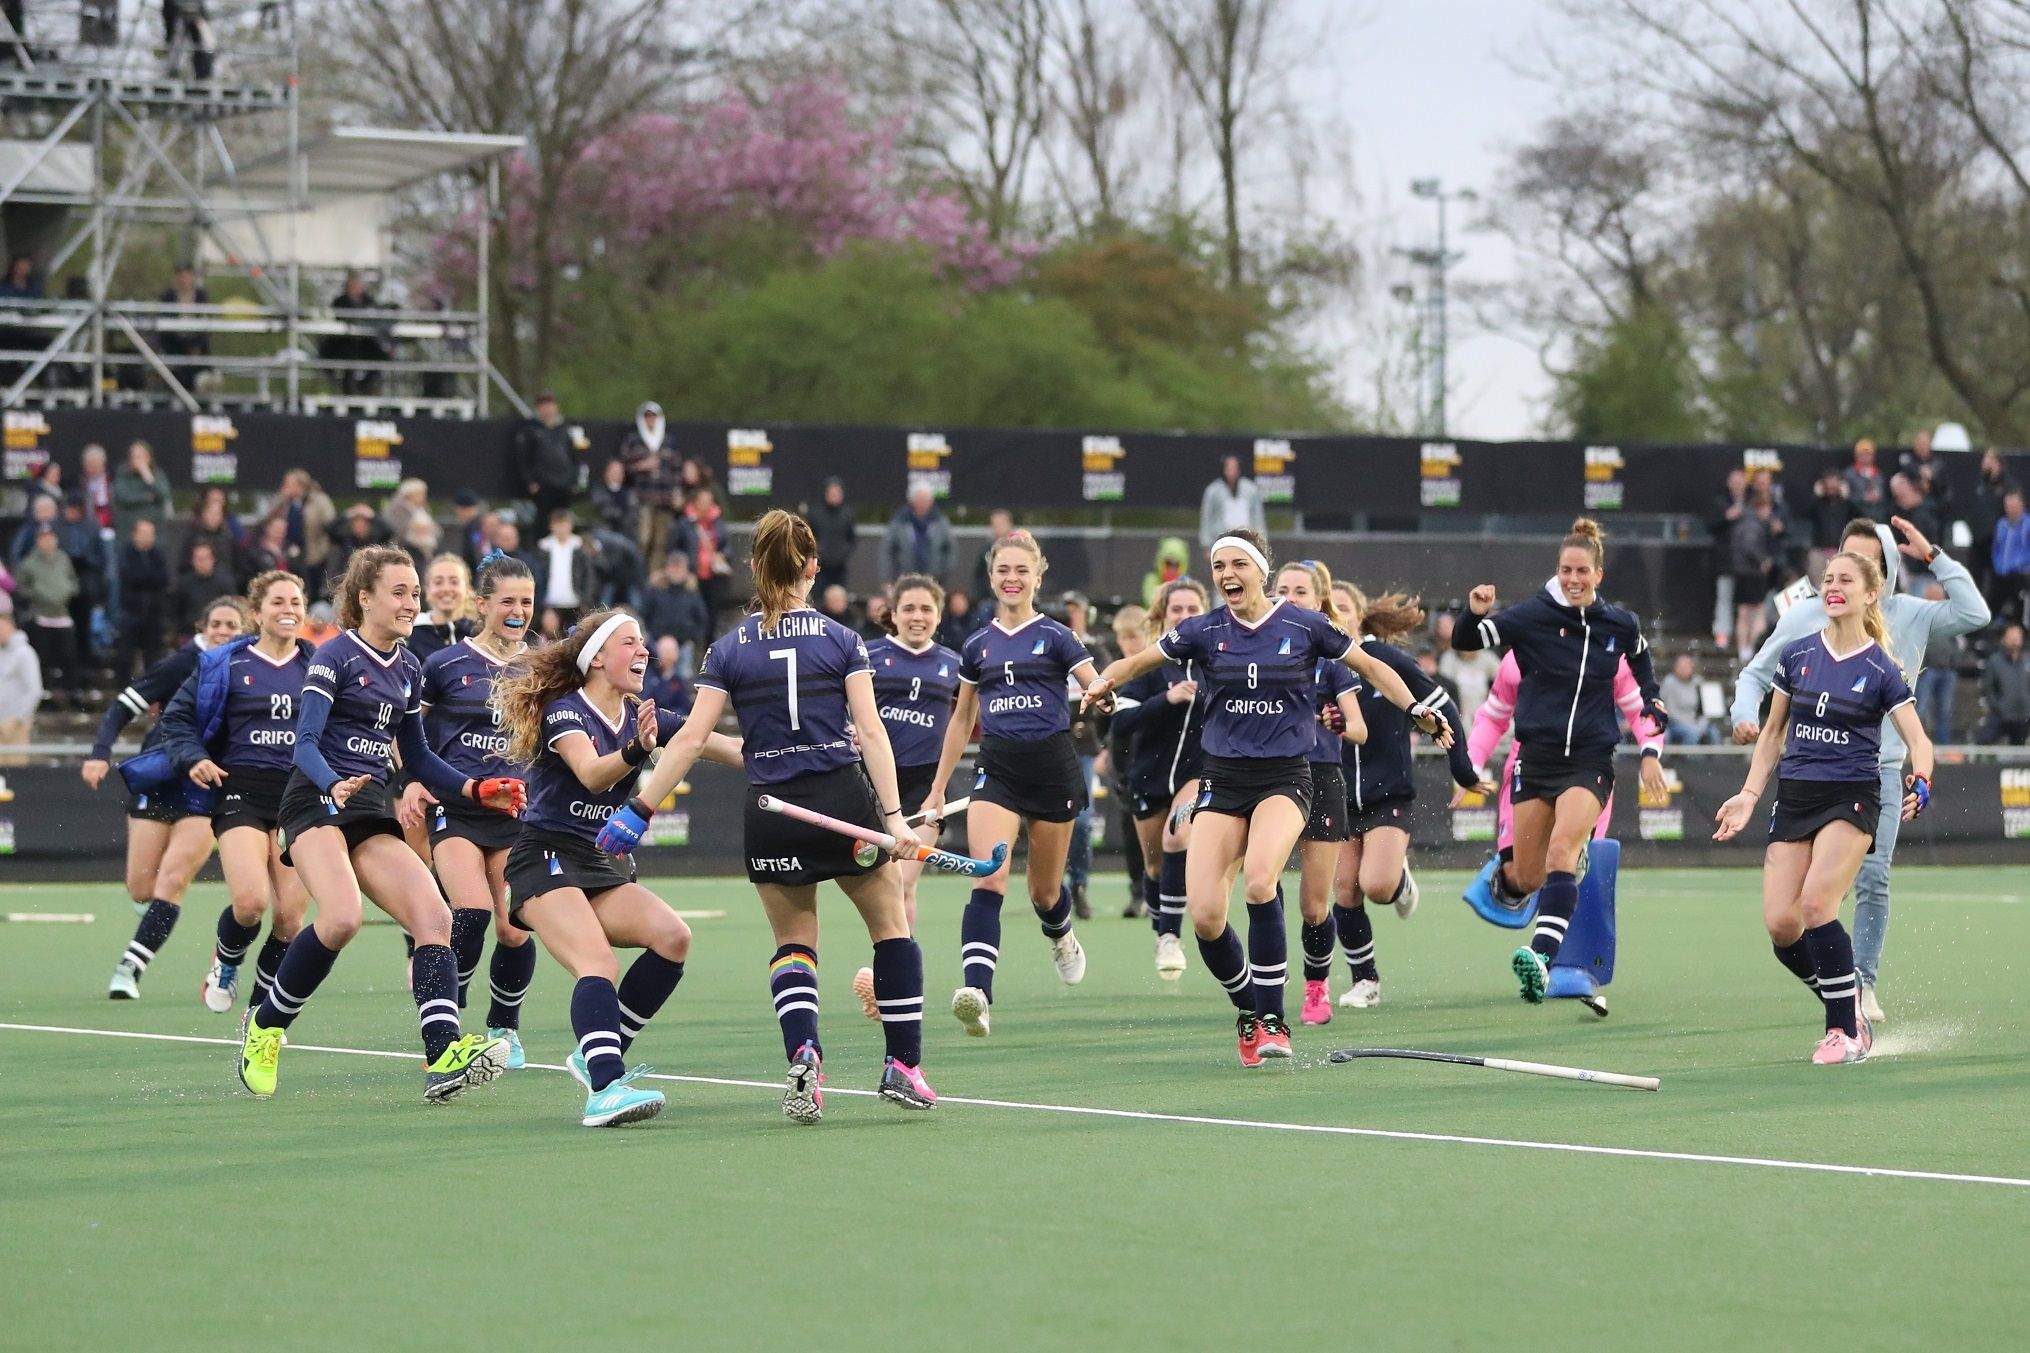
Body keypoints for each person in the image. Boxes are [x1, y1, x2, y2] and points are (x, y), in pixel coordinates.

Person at [596, 510, 940, 1120]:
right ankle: (902, 1066)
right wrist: (893, 818)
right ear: (812, 567)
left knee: (793, 943)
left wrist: (639, 808)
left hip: (772, 810)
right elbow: (871, 731)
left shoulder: (728, 649)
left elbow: (690, 739)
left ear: (754, 568)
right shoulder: (842, 640)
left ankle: (804, 1053)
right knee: (891, 929)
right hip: (841, 799)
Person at [1086, 529, 1447, 1065]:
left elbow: (1372, 668)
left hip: (1285, 778)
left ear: (1261, 569)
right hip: (1222, 781)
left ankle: (1276, 1020)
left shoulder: (1306, 626)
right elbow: (1133, 664)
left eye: (1238, 564)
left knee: (1259, 882)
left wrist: (1415, 708)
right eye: (1218, 566)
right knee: (1206, 916)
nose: (1226, 574)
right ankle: (1249, 1012)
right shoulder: (1203, 630)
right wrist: (1100, 684)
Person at [235, 547, 524, 1103]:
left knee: (435, 917)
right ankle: (266, 1028)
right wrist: (330, 783)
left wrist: (472, 788)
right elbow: (306, 744)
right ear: (364, 598)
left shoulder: (412, 666)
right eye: (399, 592)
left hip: (368, 806)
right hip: (315, 800)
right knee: (341, 917)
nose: (411, 603)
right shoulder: (334, 655)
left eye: (415, 593)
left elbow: (416, 756)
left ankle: (442, 1054)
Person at [1733, 514, 1987, 1022]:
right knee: (1791, 914)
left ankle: (1861, 987)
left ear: (1882, 574)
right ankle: (1837, 986)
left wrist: (1934, 556)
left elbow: (1975, 614)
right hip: (1807, 778)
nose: (1844, 575)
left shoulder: (1910, 616)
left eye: (1863, 564)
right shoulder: (1805, 618)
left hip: (1876, 775)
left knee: (1871, 878)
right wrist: (1744, 713)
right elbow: (1759, 673)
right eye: (1839, 565)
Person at [1714, 550, 1933, 1066]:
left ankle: (1843, 1032)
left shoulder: (1881, 667)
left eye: (1845, 580)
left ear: (1869, 593)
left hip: (1851, 794)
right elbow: (1772, 734)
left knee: (1817, 906)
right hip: (1796, 795)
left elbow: (1918, 740)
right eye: (1827, 580)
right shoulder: (1797, 654)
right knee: (1782, 925)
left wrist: (1921, 778)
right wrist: (1749, 794)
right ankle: (1846, 999)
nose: (1833, 587)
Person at [1451, 518, 1668, 1003]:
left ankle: (1542, 958)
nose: (1574, 579)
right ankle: (1513, 878)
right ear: (1557, 571)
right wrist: (1472, 612)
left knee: (1562, 855)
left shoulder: (1617, 628)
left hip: (1589, 763)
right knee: (1528, 876)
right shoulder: (1530, 621)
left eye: (1583, 571)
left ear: (1598, 574)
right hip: (1534, 762)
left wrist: (1652, 740)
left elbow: (1642, 670)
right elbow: (1468, 646)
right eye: (1567, 570)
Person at [925, 530, 1102, 1039]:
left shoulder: (1058, 636)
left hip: (1052, 770)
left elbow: (1092, 681)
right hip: (998, 770)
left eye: (1022, 570)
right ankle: (977, 993)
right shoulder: (977, 644)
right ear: (992, 576)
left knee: (1045, 893)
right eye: (1003, 570)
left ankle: (1063, 936)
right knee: (989, 875)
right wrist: (938, 790)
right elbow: (961, 722)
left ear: (1037, 577)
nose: (1012, 578)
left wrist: (1100, 696)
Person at [399, 552, 542, 1070]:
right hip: (457, 803)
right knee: (472, 910)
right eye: (507, 601)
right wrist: (415, 780)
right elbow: (408, 736)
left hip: (517, 809)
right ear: (480, 604)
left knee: (514, 928)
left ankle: (505, 1027)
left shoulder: (544, 664)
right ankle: (447, 1025)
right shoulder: (442, 665)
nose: (518, 610)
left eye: (526, 601)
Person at [154, 572, 313, 1017]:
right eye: (278, 601)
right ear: (257, 612)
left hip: (298, 797)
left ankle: (262, 1009)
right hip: (240, 788)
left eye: (296, 602)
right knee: (251, 902)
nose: (288, 610)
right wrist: (193, 758)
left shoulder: (318, 665)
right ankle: (226, 961)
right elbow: (177, 720)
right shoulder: (225, 663)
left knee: (290, 920)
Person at [1323, 582, 1481, 1014]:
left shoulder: (1385, 660)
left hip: (1385, 792)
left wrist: (1462, 768)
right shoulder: (1315, 664)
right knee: (1343, 889)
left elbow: (1441, 707)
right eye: (1327, 609)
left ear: (1359, 615)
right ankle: (1365, 980)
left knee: (1375, 886)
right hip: (1334, 795)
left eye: (1342, 608)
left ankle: (1398, 879)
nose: (1334, 616)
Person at [90, 598, 248, 998]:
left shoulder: (250, 668)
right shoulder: (180, 664)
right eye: (217, 624)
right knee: (141, 888)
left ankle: (129, 968)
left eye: (232, 625)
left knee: (173, 879)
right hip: (160, 777)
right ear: (202, 626)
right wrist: (98, 755)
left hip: (207, 786)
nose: (223, 632)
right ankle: (157, 914)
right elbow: (120, 708)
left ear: (244, 628)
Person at [1270, 563, 1366, 1025]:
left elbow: (1360, 729)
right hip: (1269, 779)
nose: (1290, 597)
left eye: (1300, 591)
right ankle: (1270, 977)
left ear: (1319, 600)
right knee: (1262, 884)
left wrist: (1339, 722)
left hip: (1323, 776)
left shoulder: (1330, 659)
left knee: (1313, 904)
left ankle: (1316, 986)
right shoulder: (1255, 650)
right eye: (1282, 590)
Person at [1110, 579, 1208, 977]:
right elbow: (1119, 721)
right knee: (1154, 867)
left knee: (1177, 835)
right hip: (1148, 778)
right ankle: (1161, 931)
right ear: (1163, 616)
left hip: (1198, 774)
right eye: (1177, 610)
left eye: (1192, 609)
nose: (1184, 616)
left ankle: (1171, 937)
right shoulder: (1150, 664)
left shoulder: (1218, 662)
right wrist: (1165, 700)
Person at [858, 574, 961, 942]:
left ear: (939, 614)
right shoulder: (868, 654)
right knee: (879, 889)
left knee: (904, 884)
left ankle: (897, 977)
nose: (918, 616)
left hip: (925, 787)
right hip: (872, 783)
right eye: (909, 608)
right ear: (895, 613)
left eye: (926, 609)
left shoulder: (954, 663)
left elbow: (967, 721)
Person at [1102, 603, 1151, 919]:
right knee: (1128, 826)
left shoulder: (1152, 669)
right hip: (1122, 759)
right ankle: (1137, 891)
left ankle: (1160, 890)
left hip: (1149, 756)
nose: (1127, 644)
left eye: (1133, 636)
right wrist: (1104, 749)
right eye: (1123, 638)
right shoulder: (1116, 670)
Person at [16, 525, 79, 709]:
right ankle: (45, 696)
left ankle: (71, 693)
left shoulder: (63, 559)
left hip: (62, 616)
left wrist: (67, 591)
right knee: (43, 658)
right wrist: (38, 594)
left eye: (51, 538)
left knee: (69, 657)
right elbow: (22, 587)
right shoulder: (29, 562)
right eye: (44, 538)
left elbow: (73, 581)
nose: (48, 542)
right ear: (38, 541)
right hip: (41, 617)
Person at [617, 401, 679, 562]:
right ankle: (640, 574)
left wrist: (676, 491)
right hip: (643, 497)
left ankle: (654, 578)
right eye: (647, 417)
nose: (650, 420)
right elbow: (623, 467)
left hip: (664, 497)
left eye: (653, 416)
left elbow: (676, 467)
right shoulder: (633, 440)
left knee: (661, 541)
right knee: (643, 538)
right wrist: (641, 466)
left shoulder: (668, 440)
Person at [514, 393, 580, 526]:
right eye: (543, 406)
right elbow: (523, 458)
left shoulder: (565, 429)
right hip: (543, 485)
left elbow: (574, 457)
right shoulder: (530, 430)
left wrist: (573, 480)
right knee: (543, 521)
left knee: (563, 519)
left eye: (550, 405)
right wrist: (531, 482)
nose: (547, 409)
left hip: (563, 484)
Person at [116, 518, 169, 678]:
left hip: (153, 613)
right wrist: (149, 579)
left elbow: (164, 578)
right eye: (144, 533)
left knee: (153, 656)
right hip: (130, 612)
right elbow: (130, 577)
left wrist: (144, 578)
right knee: (125, 656)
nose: (148, 537)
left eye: (151, 534)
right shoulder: (126, 553)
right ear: (134, 535)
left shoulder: (158, 555)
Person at [322, 271, 389, 395]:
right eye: (353, 285)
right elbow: (338, 318)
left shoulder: (369, 301)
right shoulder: (339, 301)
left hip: (364, 343)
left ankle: (364, 387)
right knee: (347, 357)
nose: (356, 288)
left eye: (358, 285)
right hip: (343, 343)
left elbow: (377, 317)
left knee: (382, 355)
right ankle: (347, 390)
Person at [640, 553, 709, 666]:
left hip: (683, 644)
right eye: (673, 567)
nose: (676, 572)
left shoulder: (692, 592)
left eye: (680, 568)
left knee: (682, 677)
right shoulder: (655, 590)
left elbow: (701, 619)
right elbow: (643, 613)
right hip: (656, 643)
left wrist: (691, 637)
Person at [407, 553, 476, 663]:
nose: (446, 588)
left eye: (454, 582)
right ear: (427, 590)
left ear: (467, 589)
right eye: (438, 582)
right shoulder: (410, 632)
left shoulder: (479, 634)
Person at [883, 483, 953, 583]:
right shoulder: (899, 521)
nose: (923, 503)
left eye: (926, 499)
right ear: (912, 501)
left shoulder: (941, 522)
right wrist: (888, 578)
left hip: (934, 579)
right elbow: (888, 550)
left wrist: (943, 572)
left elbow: (950, 550)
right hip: (904, 578)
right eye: (920, 499)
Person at [0, 601, 43, 759]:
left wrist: (17, 719)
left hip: (15, 727)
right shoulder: (2, 654)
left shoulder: (25, 653)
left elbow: (35, 691)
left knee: (13, 772)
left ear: (10, 626)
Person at [1977, 624, 2030, 745]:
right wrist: (1999, 707)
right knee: (1983, 742)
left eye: (2018, 636)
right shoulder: (1995, 661)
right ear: (2004, 639)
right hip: (2001, 715)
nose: (2015, 639)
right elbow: (1988, 689)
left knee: (2018, 752)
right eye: (2012, 636)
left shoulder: (2027, 660)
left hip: (2024, 715)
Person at [1198, 455, 1265, 549]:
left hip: (1246, 542)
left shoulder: (1251, 490)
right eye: (1229, 468)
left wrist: (1261, 542)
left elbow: (1258, 518)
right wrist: (1206, 543)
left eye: (1234, 468)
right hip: (1220, 542)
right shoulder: (1213, 491)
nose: (1231, 472)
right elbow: (1207, 517)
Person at [112, 440, 173, 542]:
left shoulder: (157, 474)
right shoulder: (122, 473)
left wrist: (148, 477)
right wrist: (148, 497)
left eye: (141, 456)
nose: (137, 460)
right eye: (134, 456)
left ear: (149, 458)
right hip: (129, 525)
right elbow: (123, 497)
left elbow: (163, 495)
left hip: (154, 525)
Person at [171, 541, 236, 635]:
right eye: (198, 559)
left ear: (213, 559)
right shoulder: (184, 584)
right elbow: (176, 612)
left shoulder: (224, 583)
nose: (202, 562)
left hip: (220, 634)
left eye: (206, 558)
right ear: (192, 561)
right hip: (190, 634)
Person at [810, 477, 856, 597]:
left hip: (840, 567)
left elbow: (852, 539)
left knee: (839, 597)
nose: (835, 496)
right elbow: (809, 538)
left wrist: (843, 552)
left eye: (838, 493)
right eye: (832, 493)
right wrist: (818, 552)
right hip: (819, 567)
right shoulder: (815, 514)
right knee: (818, 599)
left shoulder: (847, 514)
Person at [1991, 488, 2030, 625]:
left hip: (2020, 575)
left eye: (2013, 505)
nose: (2010, 509)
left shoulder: (2027, 525)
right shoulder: (2001, 524)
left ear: (2021, 505)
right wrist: (1997, 565)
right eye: (2008, 506)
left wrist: (2022, 566)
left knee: (2019, 606)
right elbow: (1996, 548)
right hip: (2000, 575)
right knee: (1992, 604)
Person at [1661, 652, 1716, 745]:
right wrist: (1690, 725)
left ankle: (1717, 759)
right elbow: (1670, 712)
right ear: (1675, 668)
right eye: (1681, 667)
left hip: (1696, 722)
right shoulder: (1669, 683)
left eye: (1687, 667)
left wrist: (1701, 724)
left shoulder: (1699, 682)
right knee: (1692, 734)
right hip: (1675, 724)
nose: (1684, 669)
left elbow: (1705, 709)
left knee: (1714, 732)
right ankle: (1692, 759)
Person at [1842, 439, 1886, 518]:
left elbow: (1882, 493)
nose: (1865, 457)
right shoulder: (1849, 474)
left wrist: (1877, 496)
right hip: (1856, 513)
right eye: (1862, 454)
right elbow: (1846, 497)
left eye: (1868, 454)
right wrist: (1862, 497)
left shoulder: (1878, 474)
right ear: (1856, 456)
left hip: (1876, 513)